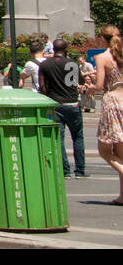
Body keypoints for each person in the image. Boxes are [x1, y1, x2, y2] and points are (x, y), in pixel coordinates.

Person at [38, 39, 87, 179]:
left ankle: (65, 170)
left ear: (53, 48)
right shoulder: (72, 63)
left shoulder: (46, 64)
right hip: (72, 103)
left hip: (55, 103)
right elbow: (81, 81)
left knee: (59, 138)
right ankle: (80, 170)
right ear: (66, 48)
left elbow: (42, 87)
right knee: (77, 136)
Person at [93, 31, 123, 205]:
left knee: (104, 151)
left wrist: (89, 87)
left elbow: (99, 85)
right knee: (120, 153)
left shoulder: (102, 57)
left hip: (112, 102)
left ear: (103, 39)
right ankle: (122, 196)